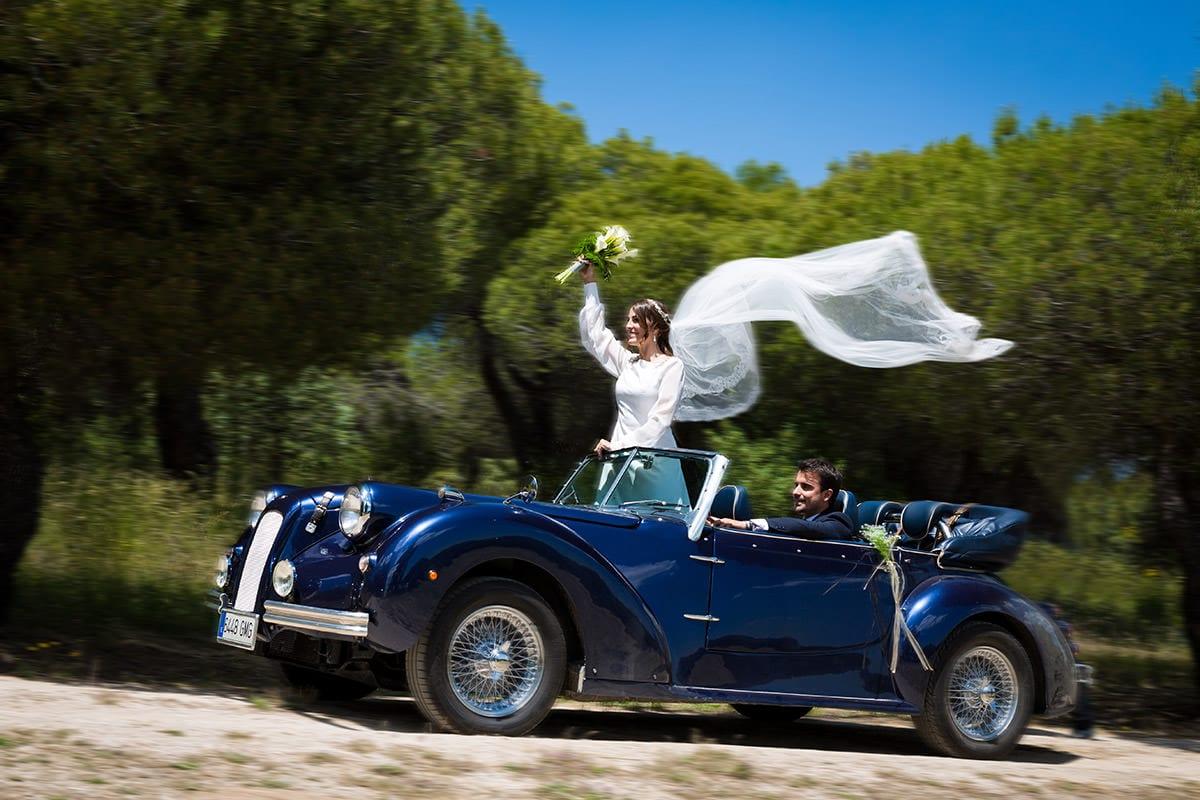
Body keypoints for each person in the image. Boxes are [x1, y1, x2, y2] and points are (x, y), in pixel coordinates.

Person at [578, 262, 684, 455]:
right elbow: (596, 336)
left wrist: (618, 445)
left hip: (654, 461)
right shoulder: (628, 363)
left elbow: (660, 420)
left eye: (636, 320)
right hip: (619, 459)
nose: (628, 326)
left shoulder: (672, 366)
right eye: (628, 319)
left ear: (656, 328)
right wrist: (589, 282)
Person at [708, 458, 853, 539]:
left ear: (826, 495)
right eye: (796, 485)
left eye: (806, 487)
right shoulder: (800, 523)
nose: (795, 492)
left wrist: (747, 525)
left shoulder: (839, 522)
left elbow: (808, 529)